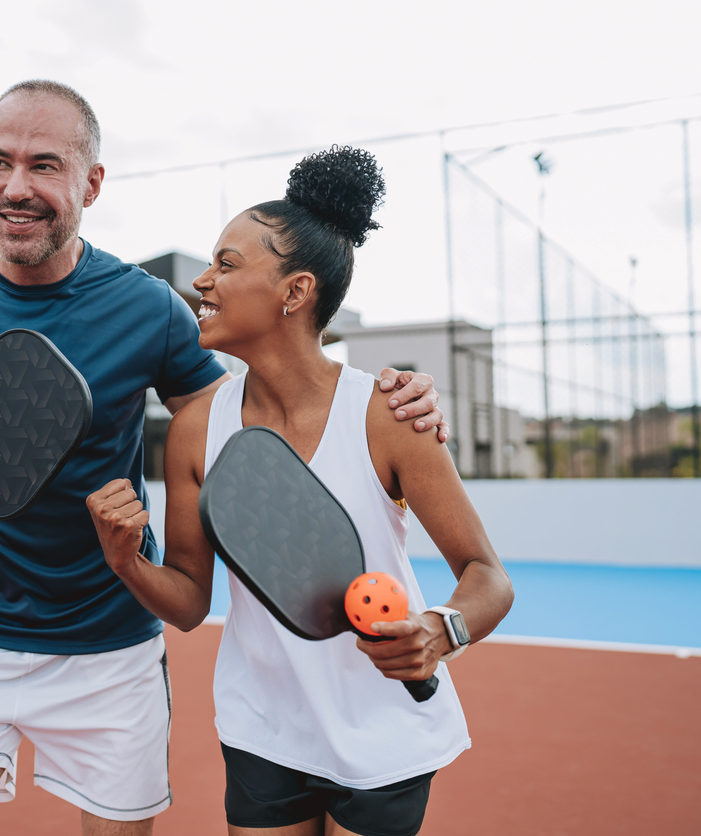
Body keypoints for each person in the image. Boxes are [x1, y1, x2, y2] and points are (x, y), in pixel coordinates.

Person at [0, 81, 450, 836]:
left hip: (111, 653)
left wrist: (389, 398)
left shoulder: (147, 308)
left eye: (44, 165)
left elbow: (251, 414)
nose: (16, 187)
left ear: (91, 183)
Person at [87, 146, 514, 836]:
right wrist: (126, 561)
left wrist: (441, 630)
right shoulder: (195, 429)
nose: (201, 280)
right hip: (264, 730)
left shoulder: (388, 415)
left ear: (295, 292)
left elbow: (487, 576)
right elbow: (191, 602)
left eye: (227, 264)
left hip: (385, 733)